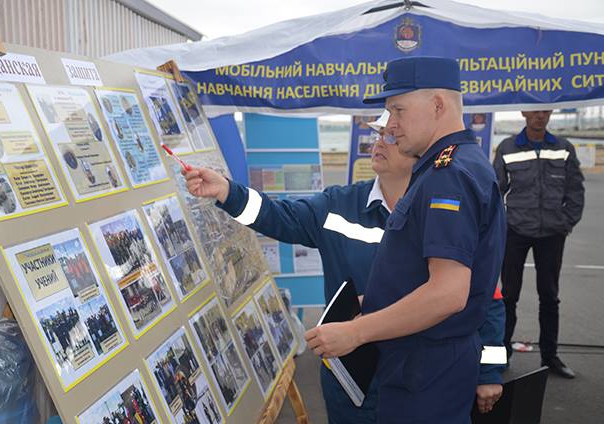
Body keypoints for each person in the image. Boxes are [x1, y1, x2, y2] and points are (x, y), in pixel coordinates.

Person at [181, 85, 506, 423]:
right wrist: (228, 192)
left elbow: (485, 295)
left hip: (417, 376)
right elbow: (280, 217)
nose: (379, 143)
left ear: (417, 151)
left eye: (391, 137)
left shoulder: (443, 206)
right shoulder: (340, 204)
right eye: (377, 135)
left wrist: (489, 371)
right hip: (350, 377)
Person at [304, 56, 506, 423]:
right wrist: (375, 301)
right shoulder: (454, 165)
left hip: (425, 368)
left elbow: (448, 293)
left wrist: (356, 332)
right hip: (426, 364)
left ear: (438, 105)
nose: (391, 124)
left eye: (398, 110)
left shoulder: (448, 176)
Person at [493, 110, 585, 379]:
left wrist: (565, 222)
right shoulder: (508, 147)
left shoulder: (564, 148)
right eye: (535, 111)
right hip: (515, 232)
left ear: (551, 113)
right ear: (524, 112)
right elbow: (495, 190)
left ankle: (550, 357)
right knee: (508, 296)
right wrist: (503, 225)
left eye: (545, 111)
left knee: (549, 296)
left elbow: (575, 189)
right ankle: (499, 357)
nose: (540, 116)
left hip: (552, 234)